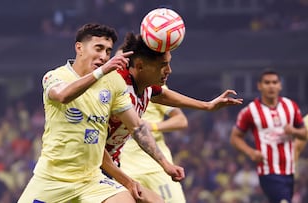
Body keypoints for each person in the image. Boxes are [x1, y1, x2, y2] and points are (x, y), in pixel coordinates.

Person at [18, 23, 183, 203]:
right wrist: (102, 70)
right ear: (79, 47)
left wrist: (165, 165)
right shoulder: (55, 76)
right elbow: (63, 95)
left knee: (153, 201)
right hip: (51, 179)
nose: (104, 56)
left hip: (92, 180)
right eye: (99, 49)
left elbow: (137, 127)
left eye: (108, 51)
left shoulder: (113, 83)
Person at [104, 32, 243, 199]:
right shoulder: (118, 86)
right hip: (93, 165)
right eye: (163, 65)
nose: (169, 70)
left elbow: (162, 94)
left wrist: (207, 105)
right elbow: (138, 129)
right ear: (140, 66)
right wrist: (165, 165)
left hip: (112, 163)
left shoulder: (145, 84)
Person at [230, 69, 307, 203]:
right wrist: (250, 152)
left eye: (274, 82)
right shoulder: (250, 111)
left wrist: (293, 131)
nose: (271, 86)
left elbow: (304, 134)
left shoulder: (291, 106)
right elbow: (235, 137)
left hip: (289, 171)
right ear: (259, 86)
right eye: (267, 83)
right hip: (268, 171)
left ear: (280, 85)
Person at [120, 93, 189, 203]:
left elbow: (181, 120)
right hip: (127, 171)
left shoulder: (153, 88)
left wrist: (152, 126)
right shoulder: (115, 87)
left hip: (158, 169)